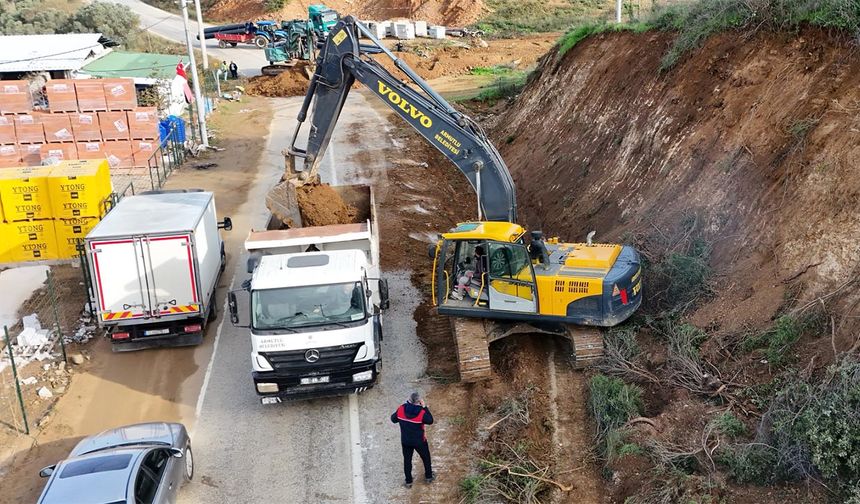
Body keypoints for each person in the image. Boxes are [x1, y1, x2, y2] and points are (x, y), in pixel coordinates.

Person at [391, 392, 434, 488]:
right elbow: (430, 420)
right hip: (419, 441)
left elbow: (393, 419)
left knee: (407, 460)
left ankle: (408, 481)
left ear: (409, 400)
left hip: (406, 441)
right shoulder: (422, 413)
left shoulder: (401, 409)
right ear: (419, 402)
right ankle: (429, 476)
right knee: (426, 458)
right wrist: (425, 407)